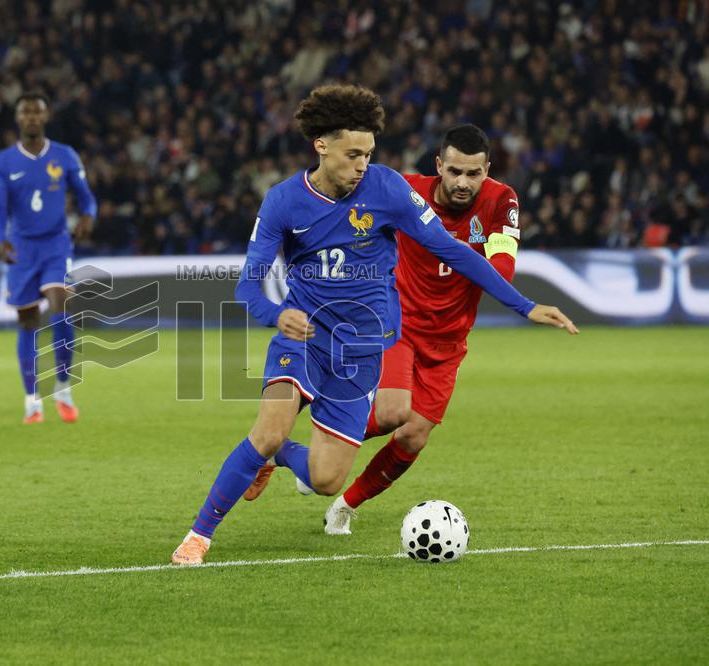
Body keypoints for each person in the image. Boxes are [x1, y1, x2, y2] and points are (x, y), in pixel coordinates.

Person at [171, 85, 576, 565]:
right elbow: (246, 288)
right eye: (353, 154)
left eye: (368, 154)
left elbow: (453, 250)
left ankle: (281, 460)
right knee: (270, 429)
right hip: (304, 340)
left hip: (362, 351)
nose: (362, 164)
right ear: (321, 145)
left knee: (324, 480)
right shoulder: (283, 202)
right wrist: (276, 314)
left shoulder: (386, 189)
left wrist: (523, 305)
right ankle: (198, 536)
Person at [0, 92, 98, 425]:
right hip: (22, 248)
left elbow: (87, 199)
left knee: (59, 303)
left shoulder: (64, 156)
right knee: (28, 321)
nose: (32, 117)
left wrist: (88, 217)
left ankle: (62, 386)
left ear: (45, 117)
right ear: (18, 118)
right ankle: (32, 399)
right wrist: (1, 240)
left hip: (55, 244)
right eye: (26, 112)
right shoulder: (4, 161)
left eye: (38, 112)